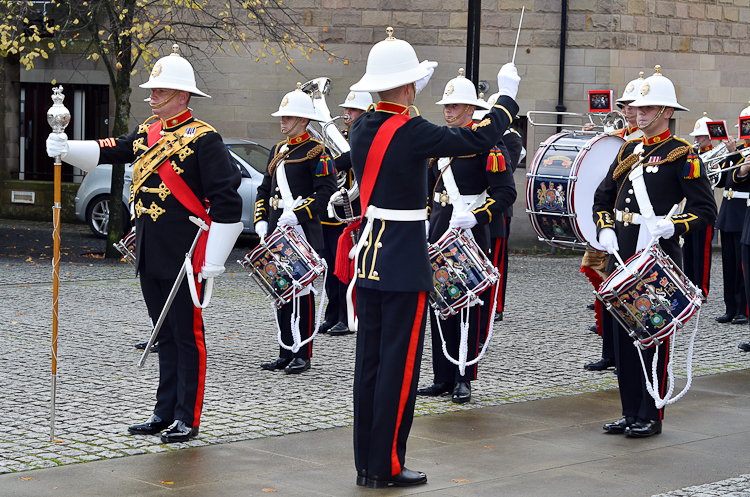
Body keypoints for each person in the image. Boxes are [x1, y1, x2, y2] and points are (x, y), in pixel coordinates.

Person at [346, 27, 520, 488]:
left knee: (369, 365)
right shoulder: (411, 130)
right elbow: (477, 139)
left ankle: (366, 463)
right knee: (399, 368)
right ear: (407, 87)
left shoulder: (361, 126)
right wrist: (506, 98)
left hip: (369, 255)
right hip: (403, 258)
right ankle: (388, 465)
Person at [46, 45, 244, 443]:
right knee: (162, 335)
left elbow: (228, 202)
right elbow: (115, 148)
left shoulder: (205, 139)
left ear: (183, 96)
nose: (151, 96)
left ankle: (189, 416)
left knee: (188, 337)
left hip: (187, 255)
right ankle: (163, 412)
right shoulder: (148, 132)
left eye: (160, 91)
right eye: (151, 91)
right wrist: (67, 149)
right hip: (151, 251)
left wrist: (214, 261)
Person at [593, 66, 716, 438]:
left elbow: (706, 210)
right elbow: (602, 195)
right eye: (639, 108)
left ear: (667, 113)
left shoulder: (683, 154)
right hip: (623, 253)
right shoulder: (629, 150)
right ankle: (631, 411)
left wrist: (674, 226)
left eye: (648, 109)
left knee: (653, 337)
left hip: (656, 254)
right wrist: (605, 227)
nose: (639, 113)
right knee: (622, 336)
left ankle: (653, 413)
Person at [416, 73, 517, 404]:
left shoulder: (489, 143)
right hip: (441, 230)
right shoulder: (442, 141)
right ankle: (442, 376)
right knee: (441, 305)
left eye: (455, 106)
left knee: (469, 308)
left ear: (471, 108)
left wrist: (477, 216)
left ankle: (464, 376)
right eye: (446, 106)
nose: (448, 111)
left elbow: (505, 193)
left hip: (472, 232)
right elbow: (431, 189)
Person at [254, 84, 337, 374]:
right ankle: (285, 349)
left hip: (301, 230)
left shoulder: (318, 151)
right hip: (278, 228)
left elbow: (326, 191)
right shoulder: (278, 149)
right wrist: (261, 219)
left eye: (288, 117)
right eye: (282, 117)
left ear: (303, 120)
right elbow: (264, 189)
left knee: (301, 294)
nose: (282, 121)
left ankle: (303, 353)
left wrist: (297, 214)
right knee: (281, 291)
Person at [583, 72, 646, 372]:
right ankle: (611, 352)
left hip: (637, 233)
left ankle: (629, 355)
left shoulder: (645, 144)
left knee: (633, 297)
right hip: (612, 226)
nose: (628, 111)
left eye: (633, 106)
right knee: (607, 292)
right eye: (625, 106)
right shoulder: (619, 142)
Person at [318, 90, 372, 337]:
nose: (345, 114)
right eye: (345, 110)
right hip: (337, 209)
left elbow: (349, 160)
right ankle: (333, 312)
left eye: (351, 110)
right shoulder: (345, 138)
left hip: (359, 210)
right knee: (332, 264)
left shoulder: (367, 138)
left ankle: (347, 314)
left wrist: (329, 161)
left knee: (350, 266)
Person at [715, 104, 750, 326]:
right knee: (728, 266)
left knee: (741, 267)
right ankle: (730, 307)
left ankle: (741, 309)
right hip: (728, 214)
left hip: (743, 213)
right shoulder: (737, 151)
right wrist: (730, 156)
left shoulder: (743, 153)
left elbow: (741, 178)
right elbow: (720, 181)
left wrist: (736, 157)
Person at [682, 112, 716, 300]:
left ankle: (701, 289)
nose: (697, 139)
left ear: (709, 137)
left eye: (701, 136)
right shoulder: (691, 153)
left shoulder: (717, 153)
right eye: (696, 136)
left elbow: (718, 180)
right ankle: (688, 285)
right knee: (688, 248)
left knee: (702, 249)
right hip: (689, 205)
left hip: (705, 207)